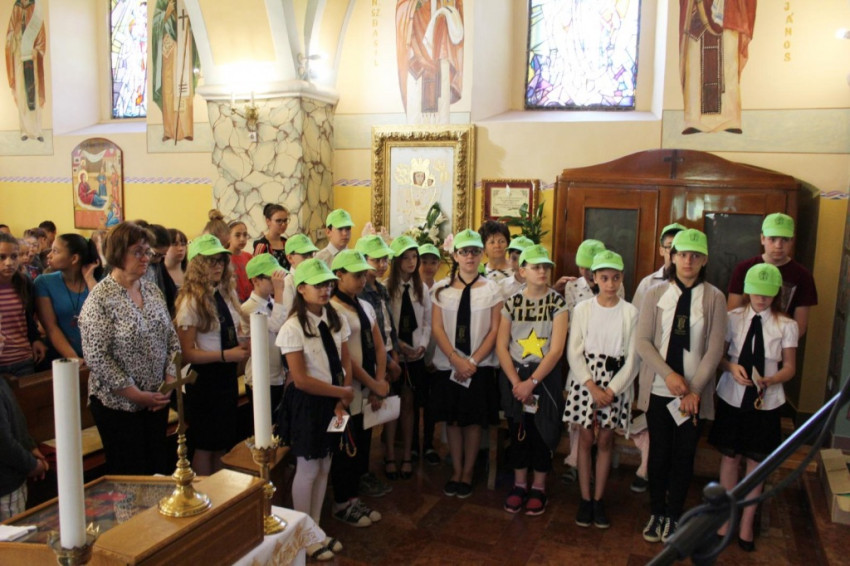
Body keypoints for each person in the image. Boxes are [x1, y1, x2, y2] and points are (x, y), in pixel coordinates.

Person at [635, 229, 727, 543]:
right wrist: (669, 376)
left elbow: (714, 349)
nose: (688, 261)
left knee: (684, 455)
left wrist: (695, 390)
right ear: (672, 257)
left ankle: (674, 515)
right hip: (659, 391)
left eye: (695, 256)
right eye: (682, 254)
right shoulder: (655, 293)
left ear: (704, 260)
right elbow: (643, 342)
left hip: (692, 398)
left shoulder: (715, 298)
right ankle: (656, 512)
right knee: (659, 453)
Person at [79, 222, 180, 475]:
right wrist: (136, 395)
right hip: (118, 406)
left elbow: (172, 339)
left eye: (147, 252)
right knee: (131, 475)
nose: (145, 258)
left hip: (156, 399)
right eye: (137, 252)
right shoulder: (100, 298)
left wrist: (168, 384)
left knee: (158, 468)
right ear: (117, 254)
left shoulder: (151, 290)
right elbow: (97, 357)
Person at [710, 263, 797, 552]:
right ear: (747, 291)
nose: (761, 299)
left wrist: (772, 380)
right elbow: (718, 357)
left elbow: (790, 367)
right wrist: (730, 367)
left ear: (776, 294)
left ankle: (747, 522)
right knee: (729, 458)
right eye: (757, 293)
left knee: (755, 463)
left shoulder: (786, 325)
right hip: (733, 396)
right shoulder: (732, 318)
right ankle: (725, 518)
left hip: (766, 402)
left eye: (768, 294)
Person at [276, 258, 353, 561]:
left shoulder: (336, 319)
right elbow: (301, 379)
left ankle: (316, 529)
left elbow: (345, 361)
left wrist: (342, 399)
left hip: (334, 400)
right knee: (308, 468)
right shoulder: (293, 327)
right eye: (318, 285)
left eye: (328, 284)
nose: (325, 289)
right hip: (309, 403)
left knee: (324, 465)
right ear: (301, 289)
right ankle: (303, 534)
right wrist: (341, 393)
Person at [564, 250, 640, 527]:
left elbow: (633, 358)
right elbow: (574, 351)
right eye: (604, 278)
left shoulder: (630, 312)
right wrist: (591, 386)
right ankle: (585, 498)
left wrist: (612, 390)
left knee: (606, 440)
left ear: (622, 278)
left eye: (615, 278)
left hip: (615, 382)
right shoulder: (583, 309)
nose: (610, 283)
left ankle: (598, 499)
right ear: (594, 278)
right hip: (586, 381)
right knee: (586, 439)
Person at [497, 245, 568, 516]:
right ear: (523, 270)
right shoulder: (512, 303)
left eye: (545, 267)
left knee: (542, 432)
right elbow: (502, 346)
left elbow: (556, 350)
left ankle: (539, 486)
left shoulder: (558, 303)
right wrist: (517, 382)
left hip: (544, 377)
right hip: (516, 376)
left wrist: (532, 383)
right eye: (536, 267)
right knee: (518, 431)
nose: (542, 271)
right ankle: (519, 485)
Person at [431, 229, 501, 499]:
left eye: (474, 251)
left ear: (481, 255)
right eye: (464, 252)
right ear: (455, 255)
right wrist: (455, 360)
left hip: (478, 367)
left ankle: (468, 472)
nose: (469, 257)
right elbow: (437, 328)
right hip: (449, 366)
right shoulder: (441, 289)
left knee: (473, 422)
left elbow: (494, 330)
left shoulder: (492, 289)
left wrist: (471, 361)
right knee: (453, 421)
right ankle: (456, 470)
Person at [175, 234, 250, 475]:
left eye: (220, 260)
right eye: (211, 261)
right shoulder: (191, 300)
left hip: (226, 375)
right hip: (204, 379)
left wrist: (243, 341)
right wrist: (225, 355)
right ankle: (206, 491)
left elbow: (231, 329)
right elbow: (187, 353)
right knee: (206, 444)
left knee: (222, 442)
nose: (218, 266)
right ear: (198, 264)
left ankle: (219, 490)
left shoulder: (224, 292)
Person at [329, 250, 390, 526]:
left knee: (363, 445)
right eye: (356, 275)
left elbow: (379, 346)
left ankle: (353, 499)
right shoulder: (333, 309)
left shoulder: (364, 305)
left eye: (364, 275)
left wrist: (379, 382)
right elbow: (347, 358)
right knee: (346, 448)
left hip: (367, 387)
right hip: (347, 388)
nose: (362, 280)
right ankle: (342, 502)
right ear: (339, 275)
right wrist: (372, 382)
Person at [627, 222, 685, 494]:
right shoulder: (648, 284)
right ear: (662, 250)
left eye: (679, 249)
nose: (674, 254)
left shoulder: (698, 288)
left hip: (683, 368)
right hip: (651, 365)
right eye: (669, 248)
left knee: (678, 425)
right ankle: (648, 468)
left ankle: (670, 478)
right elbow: (637, 327)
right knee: (654, 419)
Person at [561, 238, 624, 483]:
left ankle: (597, 464)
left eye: (591, 268)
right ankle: (574, 461)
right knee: (579, 418)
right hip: (581, 360)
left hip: (607, 363)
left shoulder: (615, 286)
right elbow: (570, 324)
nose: (587, 273)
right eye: (583, 267)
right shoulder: (572, 287)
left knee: (604, 421)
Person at [386, 235, 432, 479]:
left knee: (409, 404)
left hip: (415, 355)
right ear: (396, 261)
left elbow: (427, 322)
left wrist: (422, 346)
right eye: (405, 258)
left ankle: (407, 455)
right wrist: (399, 345)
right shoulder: (386, 288)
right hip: (394, 354)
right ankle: (390, 455)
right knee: (391, 405)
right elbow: (384, 325)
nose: (411, 262)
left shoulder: (421, 288)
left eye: (414, 257)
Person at [727, 213, 817, 337]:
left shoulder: (803, 276)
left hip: (780, 342)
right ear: (762, 239)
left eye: (785, 239)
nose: (778, 246)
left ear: (792, 240)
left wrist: (778, 344)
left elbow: (800, 326)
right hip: (743, 339)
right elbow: (732, 312)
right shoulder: (743, 269)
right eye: (772, 239)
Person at [678, 0, 756, 134]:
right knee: (695, 67)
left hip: (728, 13)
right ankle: (694, 120)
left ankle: (730, 120)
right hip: (698, 13)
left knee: (728, 65)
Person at [395, 0, 465, 124]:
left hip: (440, 50)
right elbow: (402, 8)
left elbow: (455, 8)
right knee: (415, 115)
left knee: (442, 118)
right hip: (416, 53)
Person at [35, 234, 99, 362]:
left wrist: (89, 278)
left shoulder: (95, 281)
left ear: (74, 258)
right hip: (61, 357)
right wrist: (74, 358)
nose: (49, 255)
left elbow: (103, 312)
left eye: (55, 251)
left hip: (96, 355)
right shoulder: (44, 282)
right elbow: (51, 327)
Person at [240, 254, 288, 422]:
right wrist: (280, 292)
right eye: (272, 279)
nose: (277, 283)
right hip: (261, 378)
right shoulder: (248, 308)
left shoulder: (274, 303)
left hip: (278, 374)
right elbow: (275, 325)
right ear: (256, 281)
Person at [0, 374, 48, 520]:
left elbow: (15, 417)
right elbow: (4, 443)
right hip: (6, 485)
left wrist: (30, 445)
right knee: (12, 532)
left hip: (10, 479)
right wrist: (32, 465)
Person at [151, 0, 200, 142]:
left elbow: (197, 20)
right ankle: (169, 130)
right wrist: (167, 12)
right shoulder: (162, 1)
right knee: (168, 88)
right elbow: (155, 23)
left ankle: (187, 130)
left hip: (184, 43)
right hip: (168, 48)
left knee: (185, 86)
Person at [0, 233, 46, 377]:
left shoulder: (24, 283)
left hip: (22, 358)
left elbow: (28, 317)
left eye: (14, 256)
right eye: (2, 257)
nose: (9, 263)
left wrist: (35, 339)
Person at [5, 0, 46, 142]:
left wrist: (36, 50)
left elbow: (41, 33)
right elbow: (9, 33)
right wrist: (15, 35)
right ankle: (24, 131)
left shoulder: (35, 8)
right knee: (22, 92)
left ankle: (37, 131)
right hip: (18, 56)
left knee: (34, 92)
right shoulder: (16, 7)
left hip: (32, 57)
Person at [632, 223, 686, 310]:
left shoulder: (696, 284)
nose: (674, 252)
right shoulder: (648, 283)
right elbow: (636, 315)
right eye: (670, 246)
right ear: (661, 251)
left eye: (679, 246)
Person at [281, 233, 319, 315]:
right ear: (290, 258)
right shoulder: (287, 283)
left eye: (311, 254)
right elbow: (289, 315)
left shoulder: (317, 278)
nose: (310, 259)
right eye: (305, 255)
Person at [252, 204, 291, 271]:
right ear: (268, 221)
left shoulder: (287, 243)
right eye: (278, 221)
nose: (283, 224)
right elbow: (256, 271)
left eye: (285, 220)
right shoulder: (261, 245)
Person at [498, 235, 534, 300]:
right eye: (514, 258)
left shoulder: (539, 287)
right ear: (509, 259)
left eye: (523, 259)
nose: (518, 263)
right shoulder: (501, 286)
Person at [162, 228, 188, 315]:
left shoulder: (190, 271)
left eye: (183, 244)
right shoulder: (159, 274)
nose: (180, 248)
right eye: (175, 244)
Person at [229, 220, 253, 302]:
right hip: (234, 301)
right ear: (229, 237)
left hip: (250, 300)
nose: (242, 239)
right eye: (237, 235)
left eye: (245, 235)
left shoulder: (249, 257)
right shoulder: (225, 258)